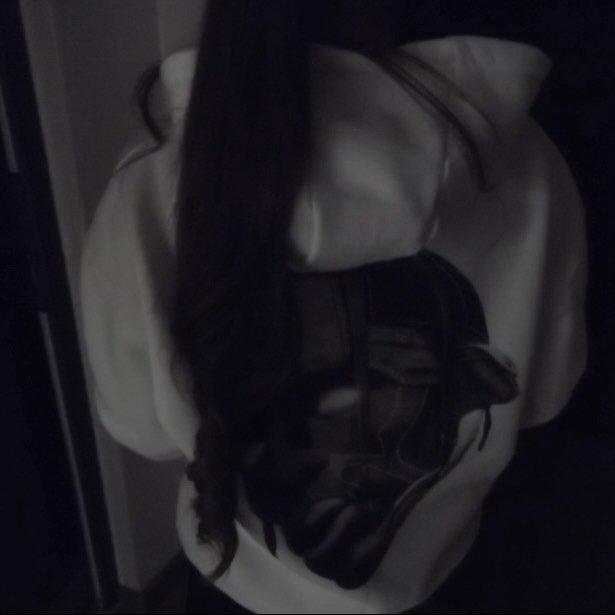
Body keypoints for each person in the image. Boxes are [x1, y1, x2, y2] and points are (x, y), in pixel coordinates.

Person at [78, 1, 587, 613]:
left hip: (234, 584)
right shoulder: (529, 165)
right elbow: (545, 392)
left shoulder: (147, 189)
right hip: (448, 580)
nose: (346, 451)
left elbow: (140, 425)